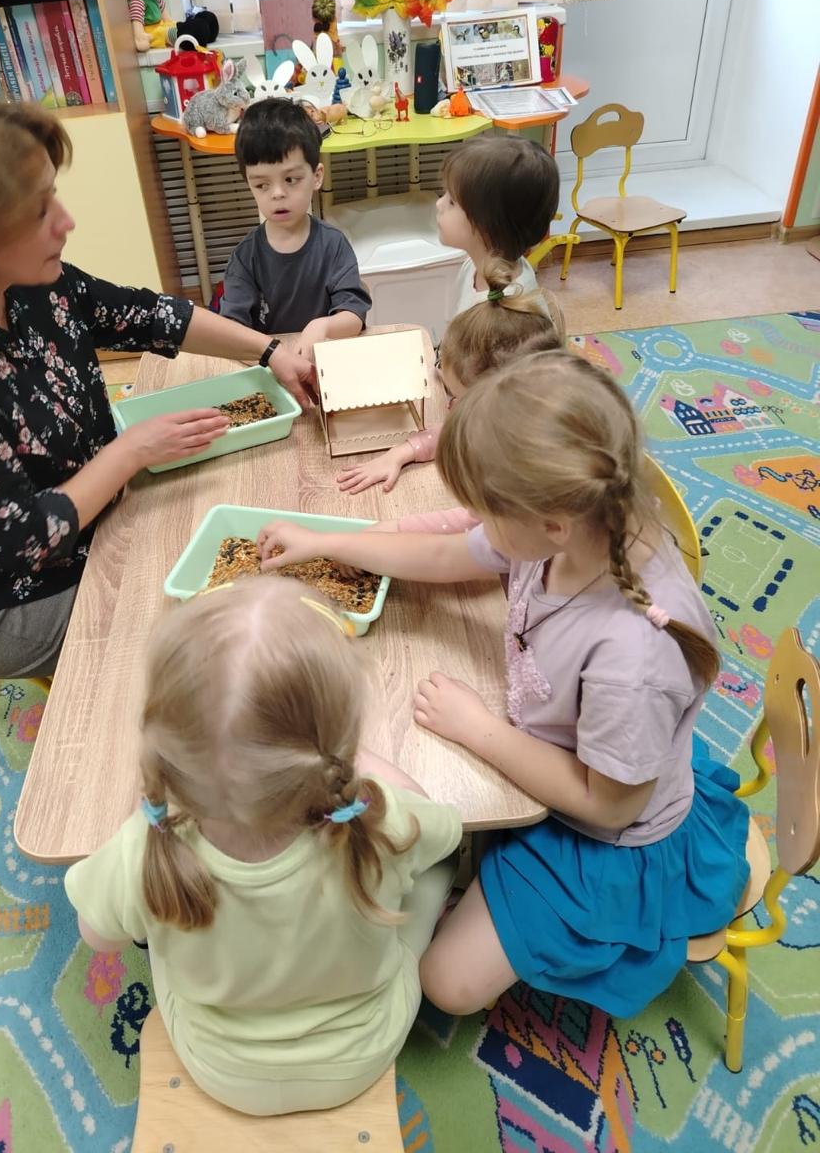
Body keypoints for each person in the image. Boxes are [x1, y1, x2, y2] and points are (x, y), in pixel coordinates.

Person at [256, 351, 751, 1021]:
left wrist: (479, 730)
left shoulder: (633, 659)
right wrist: (325, 542)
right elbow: (443, 554)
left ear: (552, 523)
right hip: (567, 757)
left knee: (447, 984)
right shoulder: (575, 531)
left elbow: (607, 807)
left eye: (485, 511)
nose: (472, 521)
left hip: (608, 841)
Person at [0, 89, 316, 679]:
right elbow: (26, 539)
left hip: (91, 514)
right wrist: (133, 450)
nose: (66, 220)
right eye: (38, 209)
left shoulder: (25, 277)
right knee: (223, 616)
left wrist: (269, 351)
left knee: (225, 523)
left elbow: (145, 315)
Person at [65, 577, 461, 1115]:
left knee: (152, 924)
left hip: (219, 1068)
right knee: (439, 862)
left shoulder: (142, 847)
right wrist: (357, 762)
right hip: (361, 1054)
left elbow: (98, 938)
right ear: (334, 746)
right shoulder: (376, 819)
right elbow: (444, 825)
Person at [338, 288, 564, 500]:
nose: (450, 406)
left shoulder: (528, 477)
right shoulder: (500, 420)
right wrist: (399, 453)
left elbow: (471, 522)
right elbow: (452, 433)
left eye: (458, 398)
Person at [219, 98, 371, 360]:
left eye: (291, 179)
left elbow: (354, 316)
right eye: (262, 185)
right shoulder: (245, 258)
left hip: (326, 360)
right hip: (269, 366)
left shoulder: (333, 245)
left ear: (317, 177)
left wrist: (323, 326)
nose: (278, 193)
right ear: (249, 185)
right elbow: (231, 332)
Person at [441, 132, 560, 318]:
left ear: (486, 225)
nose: (438, 204)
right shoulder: (475, 265)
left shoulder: (505, 315)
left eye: (451, 202)